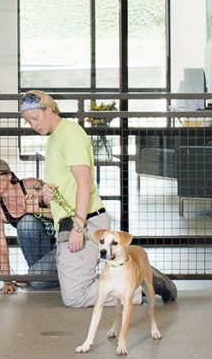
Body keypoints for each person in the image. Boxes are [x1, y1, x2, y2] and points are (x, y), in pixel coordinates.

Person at [18, 90, 175, 308]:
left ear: (50, 109)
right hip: (67, 222)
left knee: (75, 297)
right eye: (28, 122)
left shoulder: (70, 133)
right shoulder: (53, 138)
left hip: (85, 222)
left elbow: (85, 182)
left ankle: (140, 285)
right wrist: (47, 191)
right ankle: (132, 276)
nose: (33, 125)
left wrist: (78, 227)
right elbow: (67, 182)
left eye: (36, 118)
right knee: (71, 287)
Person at [0, 157, 58, 293]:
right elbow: (1, 249)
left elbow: (65, 214)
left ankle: (44, 273)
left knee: (27, 221)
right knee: (38, 282)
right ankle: (38, 273)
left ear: (9, 175)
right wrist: (7, 281)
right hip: (43, 255)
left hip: (61, 246)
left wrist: (38, 211)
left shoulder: (32, 186)